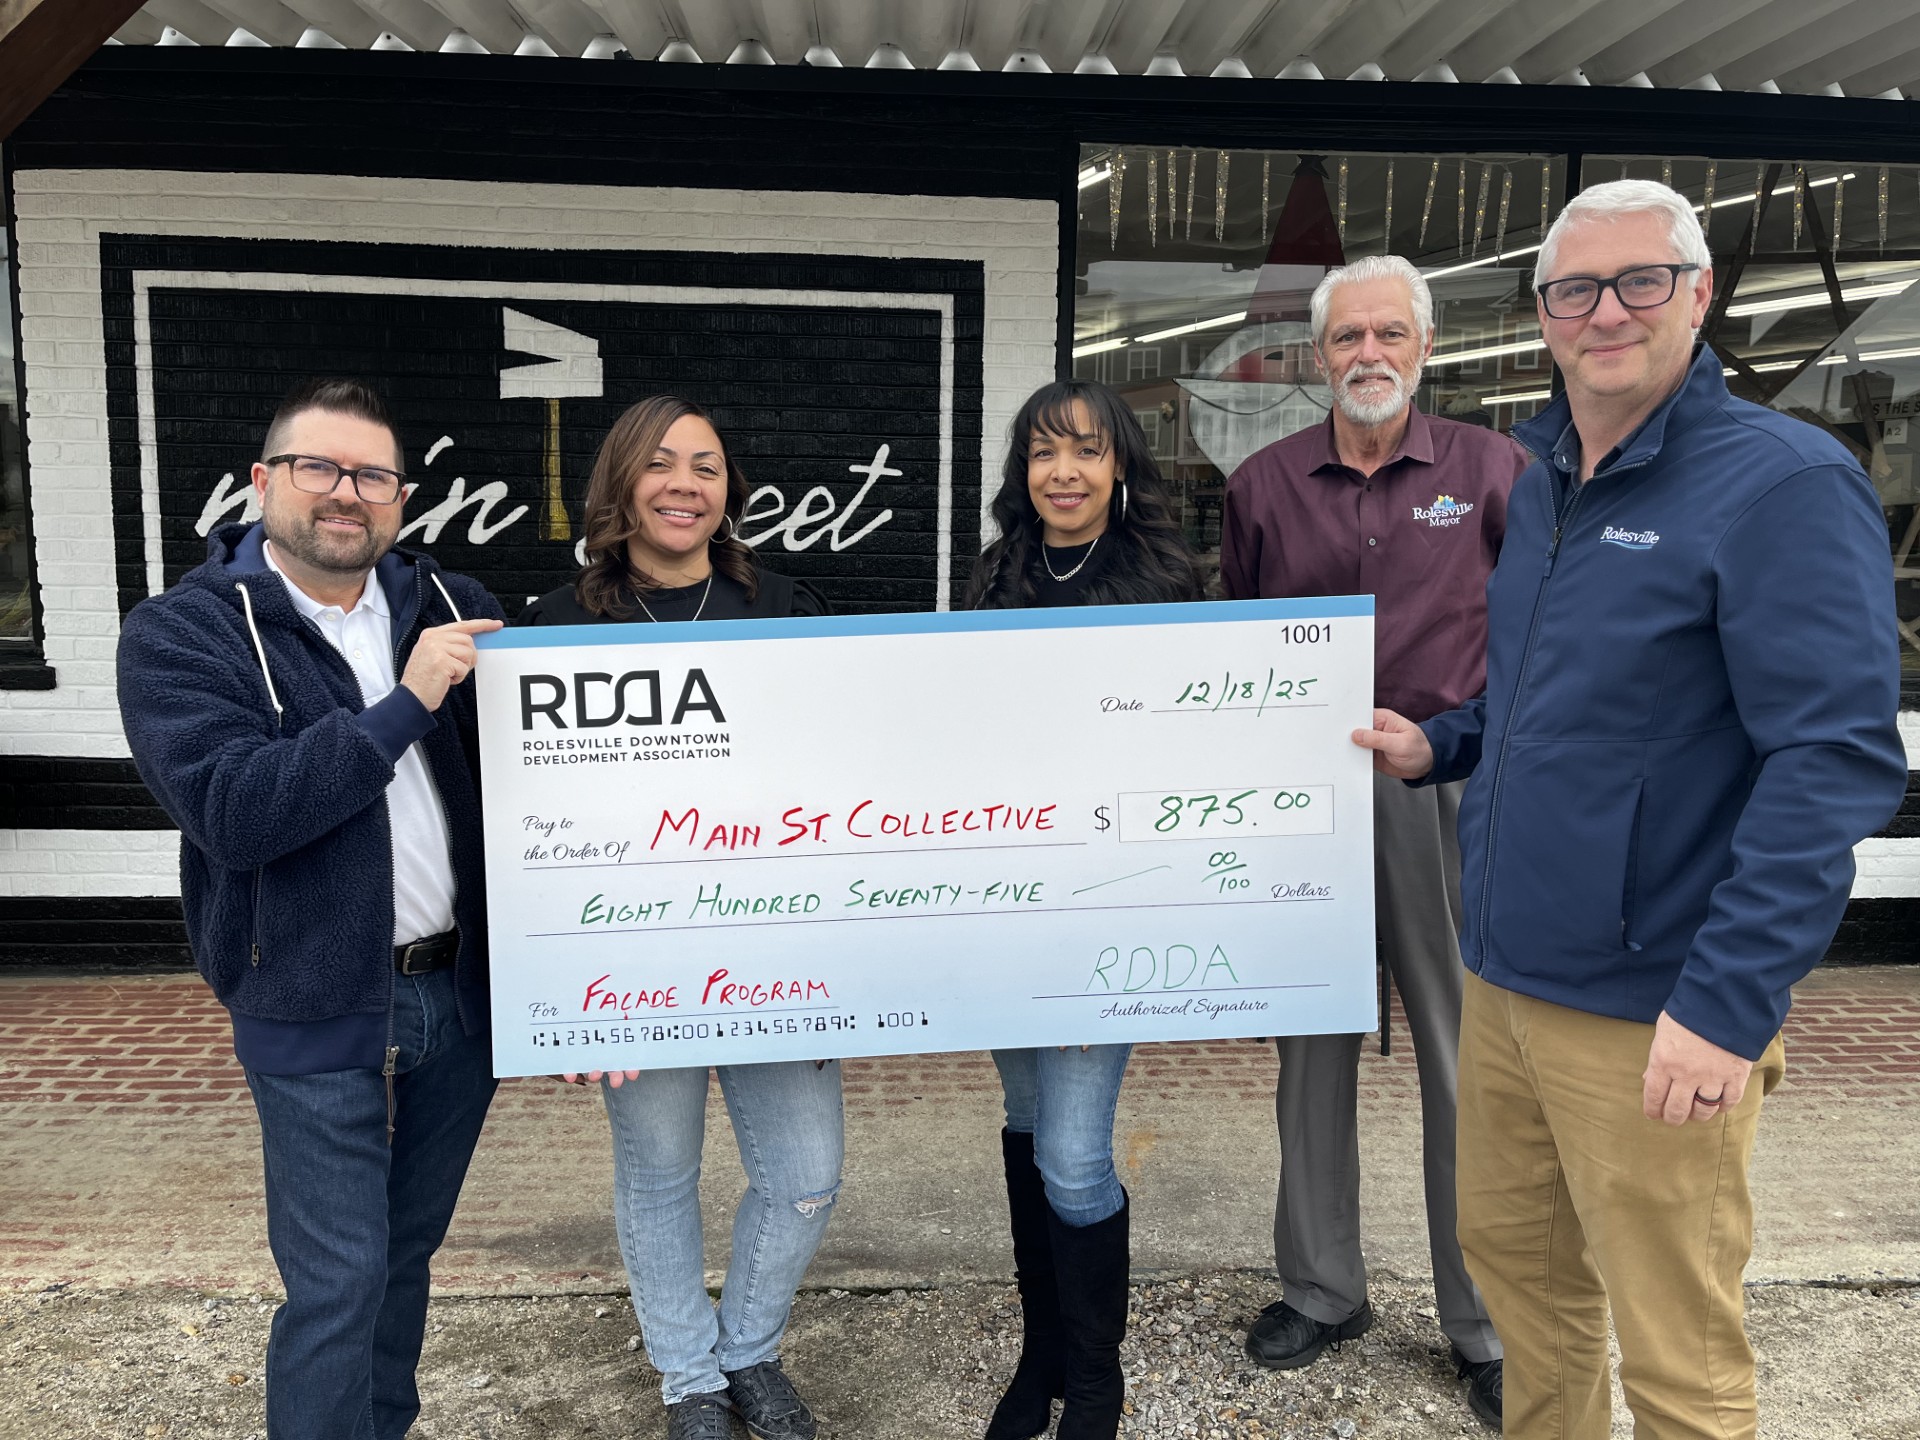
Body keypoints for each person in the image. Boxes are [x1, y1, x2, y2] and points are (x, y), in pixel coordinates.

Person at [1356, 179, 1908, 1439]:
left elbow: (1831, 763)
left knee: (1677, 1354)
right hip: (1501, 979)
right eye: (1572, 290)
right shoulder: (1548, 475)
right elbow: (1547, 700)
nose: (1604, 311)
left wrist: (1724, 1006)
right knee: (1525, 1285)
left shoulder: (1782, 487)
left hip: (1654, 1015)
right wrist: (1436, 744)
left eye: (1638, 281)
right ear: (1543, 313)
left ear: (1699, 294)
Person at [116, 377, 505, 1440]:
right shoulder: (183, 634)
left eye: (373, 475)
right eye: (319, 468)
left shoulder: (447, 602)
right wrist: (405, 702)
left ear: (401, 496)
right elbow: (237, 811)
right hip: (311, 999)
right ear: (262, 483)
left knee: (405, 1261)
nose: (347, 492)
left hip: (457, 1002)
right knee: (338, 1283)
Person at [1221, 253, 1524, 1426]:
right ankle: (1323, 1285)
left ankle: (1484, 1321)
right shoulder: (1260, 488)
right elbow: (1237, 659)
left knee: (1465, 1062)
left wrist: (1459, 743)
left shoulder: (1495, 473)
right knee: (1311, 1056)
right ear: (1317, 354)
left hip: (1444, 788)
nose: (1368, 355)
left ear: (1426, 347)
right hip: (1306, 806)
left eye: (1390, 334)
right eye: (1346, 337)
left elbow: (1539, 642)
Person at [518, 395, 838, 1440]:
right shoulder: (557, 629)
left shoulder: (789, 610)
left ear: (727, 491)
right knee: (659, 1172)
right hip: (629, 957)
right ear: (621, 482)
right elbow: (525, 823)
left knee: (804, 1174)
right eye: (661, 464)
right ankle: (689, 1379)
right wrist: (560, 992)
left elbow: (845, 785)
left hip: (774, 949)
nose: (685, 485)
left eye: (706, 465)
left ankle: (748, 1348)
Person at [965, 378, 1206, 1440]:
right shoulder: (994, 578)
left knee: (1072, 1151)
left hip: (1110, 905)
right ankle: (1043, 1353)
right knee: (1025, 1128)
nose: (1063, 471)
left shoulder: (1164, 580)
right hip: (1008, 901)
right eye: (1043, 453)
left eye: (1086, 451)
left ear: (1121, 469)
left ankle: (1097, 1380)